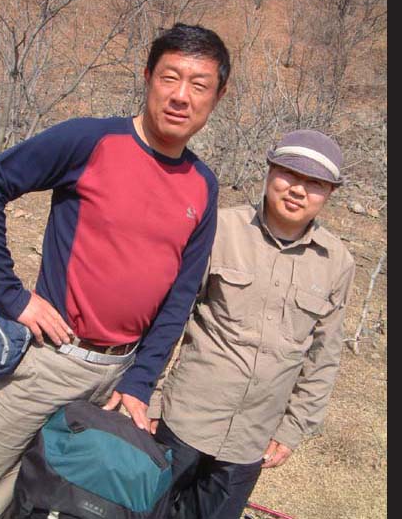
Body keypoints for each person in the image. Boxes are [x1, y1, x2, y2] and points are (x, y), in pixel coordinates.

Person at [0, 22, 230, 518]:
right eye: (170, 78)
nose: (181, 96)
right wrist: (13, 296)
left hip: (116, 384)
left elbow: (180, 296)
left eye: (199, 85)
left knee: (44, 503)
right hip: (49, 361)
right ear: (147, 77)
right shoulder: (91, 139)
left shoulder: (203, 185)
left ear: (217, 97)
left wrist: (140, 382)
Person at [148, 129, 356, 519]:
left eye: (314, 183)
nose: (298, 190)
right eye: (290, 174)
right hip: (183, 418)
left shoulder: (337, 263)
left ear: (329, 192)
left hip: (250, 440)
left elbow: (323, 356)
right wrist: (152, 395)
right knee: (144, 510)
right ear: (270, 170)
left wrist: (292, 428)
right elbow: (170, 316)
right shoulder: (219, 229)